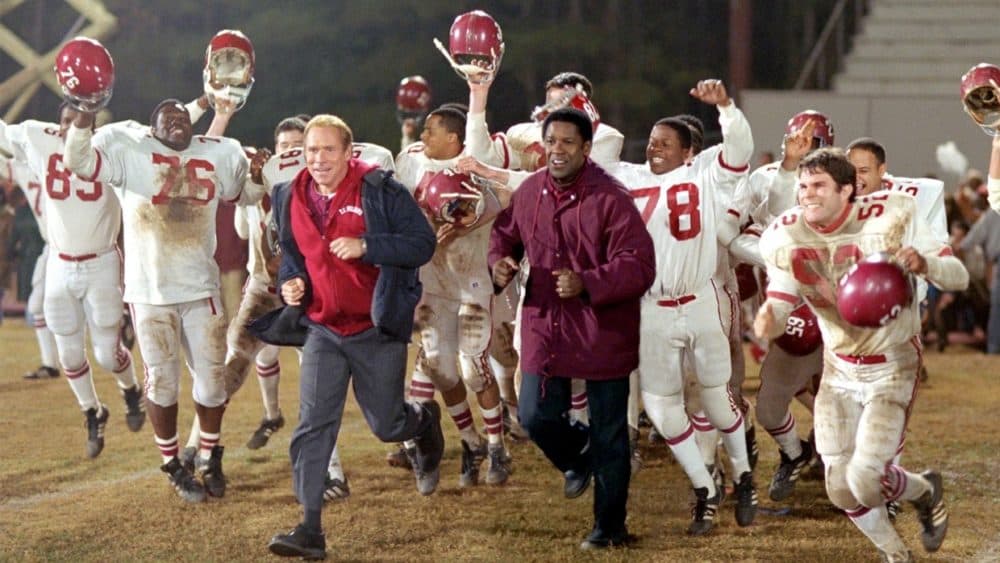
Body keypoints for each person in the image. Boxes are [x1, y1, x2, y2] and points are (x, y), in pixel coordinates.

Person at [754, 147, 964, 561]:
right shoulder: (784, 232)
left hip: (891, 364)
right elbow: (780, 297)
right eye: (803, 186)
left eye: (818, 186)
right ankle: (897, 551)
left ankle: (922, 491)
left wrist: (925, 264)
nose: (807, 194)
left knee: (867, 480)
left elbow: (956, 276)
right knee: (839, 487)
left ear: (848, 189)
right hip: (838, 369)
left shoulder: (893, 212)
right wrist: (769, 317)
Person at [264, 114, 442, 560]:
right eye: (311, 151)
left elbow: (423, 243)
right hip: (322, 328)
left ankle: (422, 422)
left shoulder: (380, 189)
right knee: (312, 425)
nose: (319, 159)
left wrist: (369, 246)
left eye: (328, 150)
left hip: (373, 327)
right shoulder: (288, 194)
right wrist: (291, 282)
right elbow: (292, 254)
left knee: (386, 424)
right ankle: (309, 528)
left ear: (348, 152)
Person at [64, 98, 256, 502]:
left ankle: (209, 452)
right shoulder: (131, 152)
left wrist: (255, 173)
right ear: (151, 129)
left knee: (212, 381)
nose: (177, 120)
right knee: (163, 382)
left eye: (183, 115)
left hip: (201, 288)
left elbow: (245, 195)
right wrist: (84, 113)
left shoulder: (214, 151)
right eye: (167, 116)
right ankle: (171, 462)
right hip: (151, 294)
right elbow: (79, 161)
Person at [489, 107, 655, 549]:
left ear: (585, 148)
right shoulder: (529, 192)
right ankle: (578, 458)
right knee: (533, 416)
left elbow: (640, 265)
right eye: (551, 141)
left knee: (610, 433)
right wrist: (499, 263)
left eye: (567, 142)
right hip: (545, 324)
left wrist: (589, 282)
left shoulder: (611, 198)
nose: (557, 150)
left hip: (603, 329)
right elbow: (504, 235)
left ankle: (609, 528)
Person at [0, 103, 146, 456]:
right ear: (58, 124)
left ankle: (130, 390)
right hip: (60, 264)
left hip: (101, 262)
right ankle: (93, 411)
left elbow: (161, 132)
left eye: (77, 122)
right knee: (67, 353)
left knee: (108, 355)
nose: (69, 129)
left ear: (91, 126)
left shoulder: (111, 146)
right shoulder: (40, 137)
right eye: (64, 121)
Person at [394, 105, 512, 491]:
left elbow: (506, 196)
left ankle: (497, 446)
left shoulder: (476, 158)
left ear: (454, 138)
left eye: (432, 130)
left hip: (471, 279)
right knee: (440, 369)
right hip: (432, 280)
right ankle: (471, 442)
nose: (423, 136)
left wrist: (466, 223)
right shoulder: (410, 160)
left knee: (473, 368)